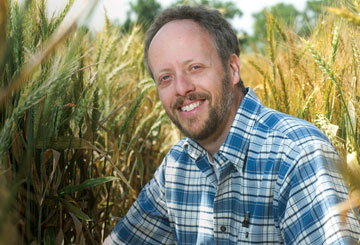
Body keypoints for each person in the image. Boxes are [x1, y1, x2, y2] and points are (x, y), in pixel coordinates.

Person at [104, 5, 360, 244]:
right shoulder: (177, 166)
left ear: (233, 68)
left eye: (194, 67)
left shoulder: (297, 155)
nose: (181, 88)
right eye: (166, 78)